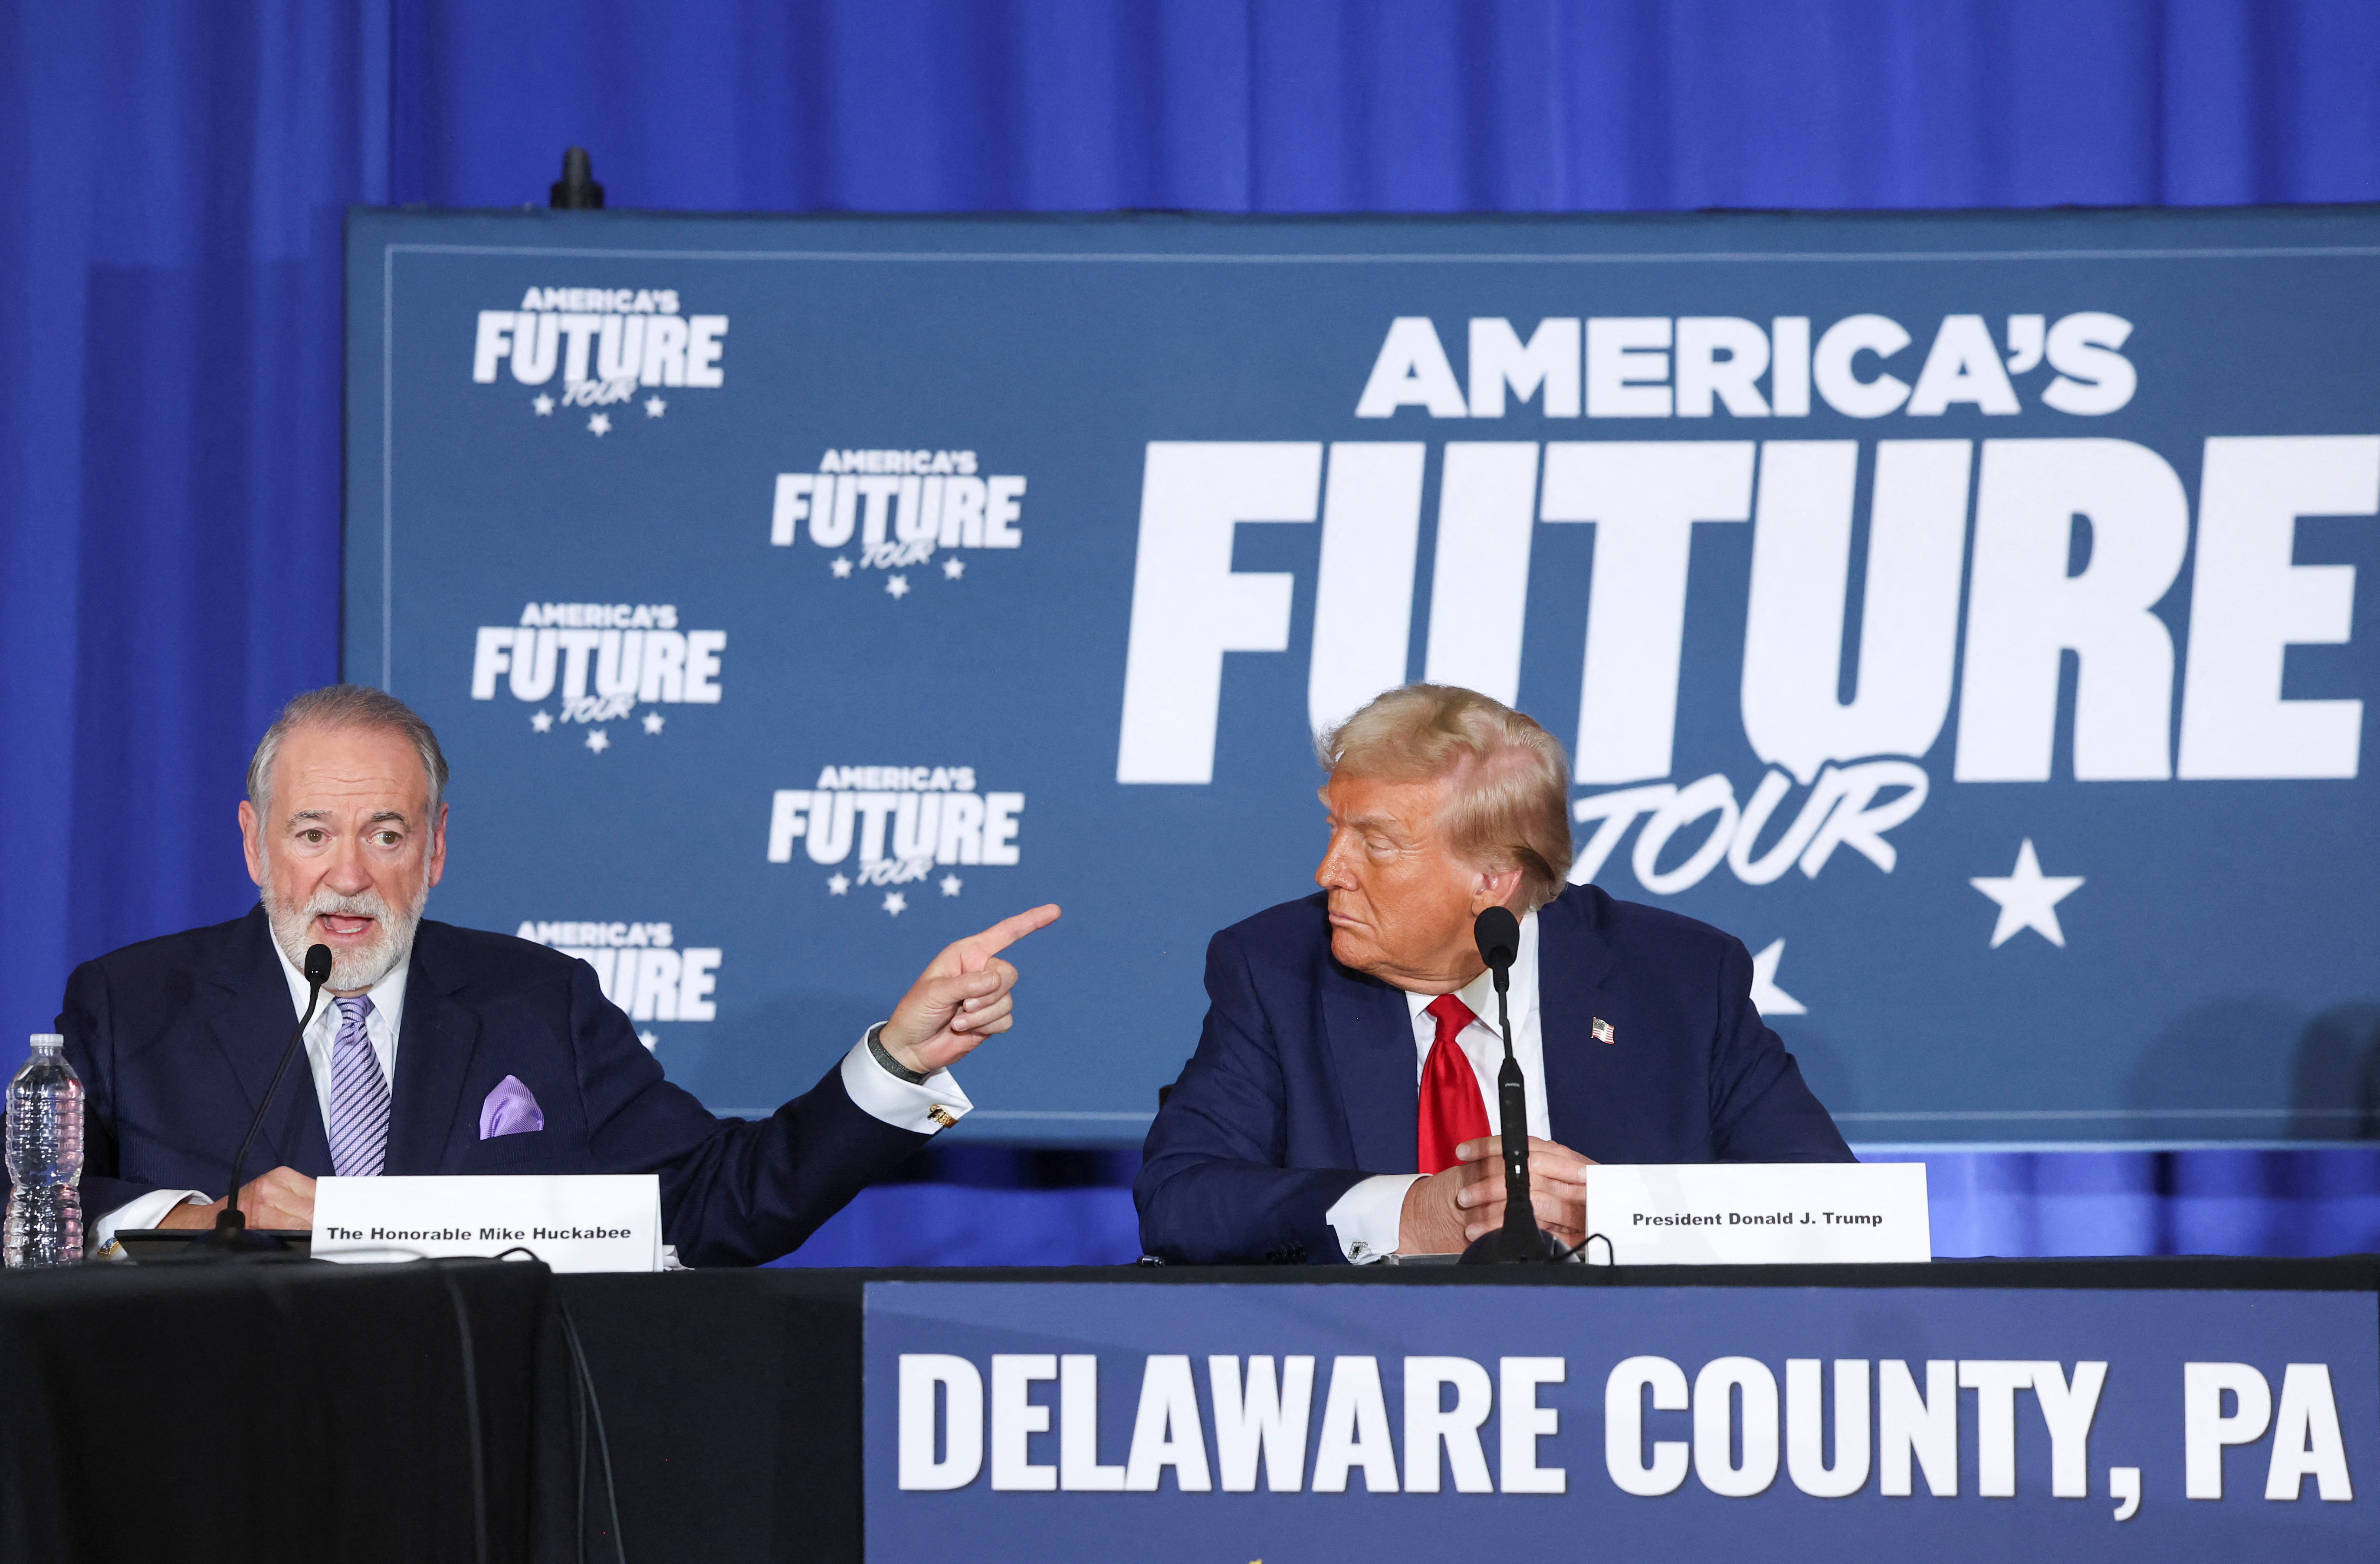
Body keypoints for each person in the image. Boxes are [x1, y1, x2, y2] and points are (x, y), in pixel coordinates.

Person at [57, 684, 1059, 1266]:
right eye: (313, 833)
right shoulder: (134, 1002)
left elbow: (716, 1203)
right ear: (253, 842)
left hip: (483, 1471)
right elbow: (35, 1203)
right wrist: (197, 1221)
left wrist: (895, 1059)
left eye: (387, 833)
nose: (349, 874)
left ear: (437, 847)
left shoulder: (538, 1000)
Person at [1136, 683, 1849, 1266]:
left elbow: (1838, 1214)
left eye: (1374, 842)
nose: (1330, 872)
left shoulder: (1680, 980)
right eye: (1333, 827)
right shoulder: (1276, 966)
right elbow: (1181, 1200)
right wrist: (1407, 1214)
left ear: (1493, 878)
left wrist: (1622, 1217)